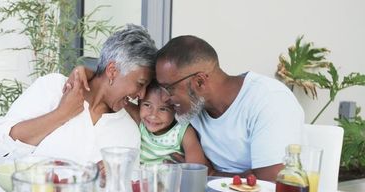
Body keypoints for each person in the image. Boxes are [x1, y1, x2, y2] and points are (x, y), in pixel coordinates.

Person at [70, 35, 304, 182]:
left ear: (200, 82)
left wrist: (207, 174)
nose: (166, 100)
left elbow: (270, 184)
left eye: (168, 89)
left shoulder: (268, 102)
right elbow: (123, 83)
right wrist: (86, 71)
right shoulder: (191, 108)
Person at [0, 24, 157, 166]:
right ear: (112, 71)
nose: (141, 95)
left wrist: (112, 177)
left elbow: (128, 189)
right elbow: (2, 147)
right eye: (140, 84)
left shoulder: (128, 130)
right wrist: (61, 114)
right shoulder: (53, 87)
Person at [132, 81, 211, 167]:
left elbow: (196, 167)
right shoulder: (141, 121)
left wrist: (188, 170)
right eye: (147, 105)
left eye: (163, 109)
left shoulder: (182, 130)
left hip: (173, 179)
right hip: (143, 179)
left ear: (176, 110)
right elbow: (118, 99)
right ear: (139, 104)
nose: (153, 115)